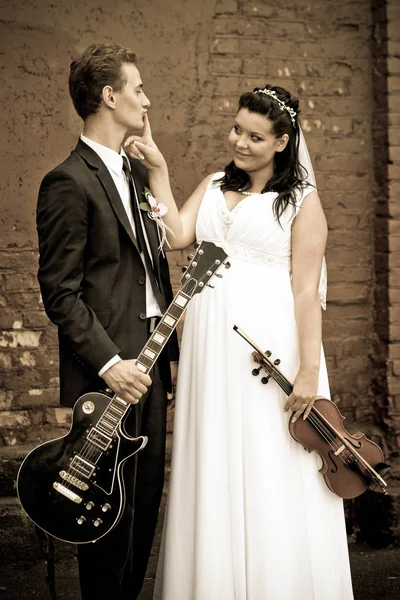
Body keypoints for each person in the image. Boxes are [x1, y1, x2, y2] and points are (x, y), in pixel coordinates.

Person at [126, 84, 354, 599]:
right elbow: (180, 234)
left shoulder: (301, 202)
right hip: (211, 347)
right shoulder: (212, 183)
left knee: (268, 457)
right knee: (214, 451)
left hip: (267, 346)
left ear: (282, 141)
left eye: (256, 136)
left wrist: (310, 373)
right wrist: (159, 170)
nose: (241, 143)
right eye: (237, 130)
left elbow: (304, 291)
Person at [36, 43, 179, 600]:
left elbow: (153, 272)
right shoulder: (67, 181)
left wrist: (168, 356)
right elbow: (61, 292)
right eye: (138, 89)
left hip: (151, 359)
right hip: (109, 373)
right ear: (109, 95)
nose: (147, 99)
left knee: (145, 505)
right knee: (105, 521)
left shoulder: (137, 175)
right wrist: (111, 363)